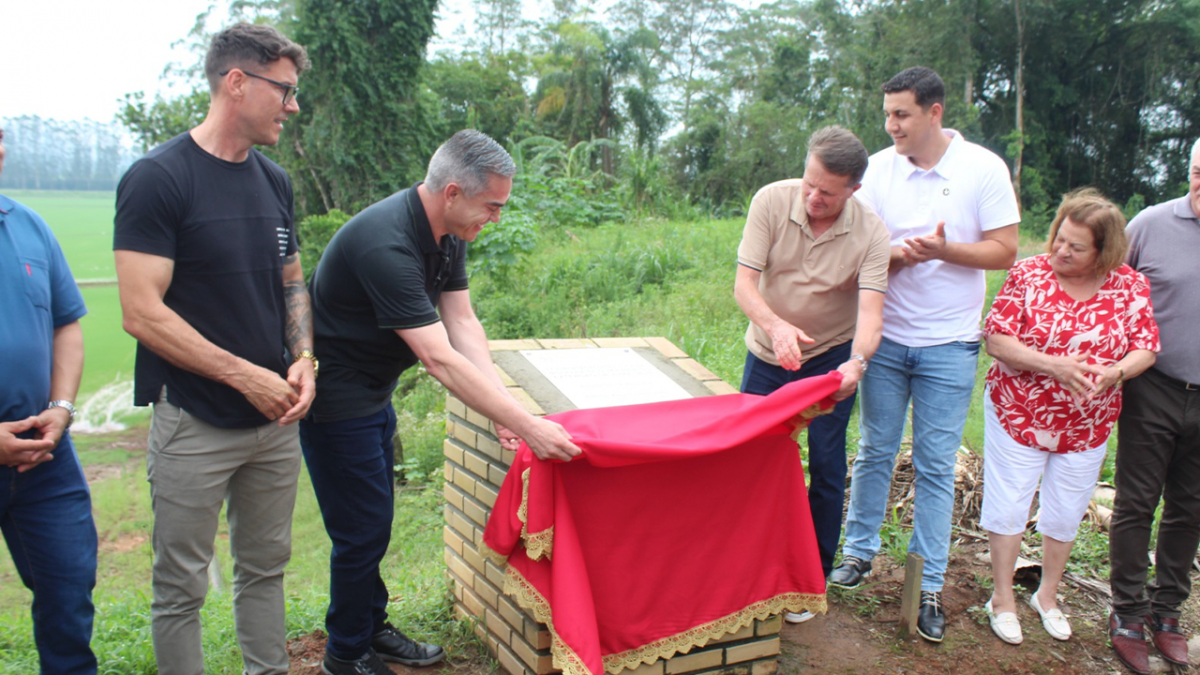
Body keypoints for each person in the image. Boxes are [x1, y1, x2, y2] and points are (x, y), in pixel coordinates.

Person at [300, 129, 580, 675]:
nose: (495, 218)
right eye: (491, 206)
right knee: (361, 529)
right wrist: (529, 425)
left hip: (373, 391)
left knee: (373, 522)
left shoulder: (448, 232)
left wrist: (502, 406)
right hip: (337, 397)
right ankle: (346, 654)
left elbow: (462, 322)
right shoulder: (386, 243)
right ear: (452, 192)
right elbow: (439, 358)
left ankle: (370, 626)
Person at [113, 24, 315, 675]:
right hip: (193, 419)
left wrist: (303, 359)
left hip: (274, 421)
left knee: (265, 568)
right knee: (181, 587)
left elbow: (291, 281)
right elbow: (142, 312)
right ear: (237, 83)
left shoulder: (274, 181)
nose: (292, 106)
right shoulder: (158, 179)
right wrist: (244, 376)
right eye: (284, 89)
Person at [830, 66, 1020, 642]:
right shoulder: (877, 171)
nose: (891, 126)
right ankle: (859, 553)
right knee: (875, 449)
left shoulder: (982, 168)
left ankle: (930, 582)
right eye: (887, 114)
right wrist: (898, 256)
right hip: (885, 338)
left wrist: (944, 251)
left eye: (902, 114)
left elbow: (1004, 250)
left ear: (934, 112)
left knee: (936, 466)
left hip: (950, 344)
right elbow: (858, 253)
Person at [979, 189, 1158, 646]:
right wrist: (1053, 365)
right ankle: (1002, 598)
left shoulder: (1130, 286)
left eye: (1076, 247)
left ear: (1104, 252)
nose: (1061, 250)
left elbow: (1146, 347)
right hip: (1019, 411)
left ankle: (1047, 595)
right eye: (1059, 238)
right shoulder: (1028, 274)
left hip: (1087, 423)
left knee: (1065, 511)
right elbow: (997, 339)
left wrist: (1117, 372)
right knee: (1010, 504)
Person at [734, 125, 889, 624]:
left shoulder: (872, 232)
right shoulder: (771, 200)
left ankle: (810, 578)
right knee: (749, 457)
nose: (813, 197)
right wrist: (776, 326)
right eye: (809, 183)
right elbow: (744, 285)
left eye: (827, 192)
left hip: (829, 359)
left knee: (825, 462)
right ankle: (742, 564)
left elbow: (871, 314)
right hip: (767, 351)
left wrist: (857, 363)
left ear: (854, 189)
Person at [0, 126, 97, 675]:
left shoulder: (29, 226)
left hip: (43, 452)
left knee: (69, 585)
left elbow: (66, 324)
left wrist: (61, 406)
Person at [1107, 139, 1200, 675]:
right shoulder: (1151, 224)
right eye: (1198, 172)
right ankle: (1127, 612)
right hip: (1155, 386)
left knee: (1190, 507)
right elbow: (1112, 286)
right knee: (1137, 502)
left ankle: (1168, 613)